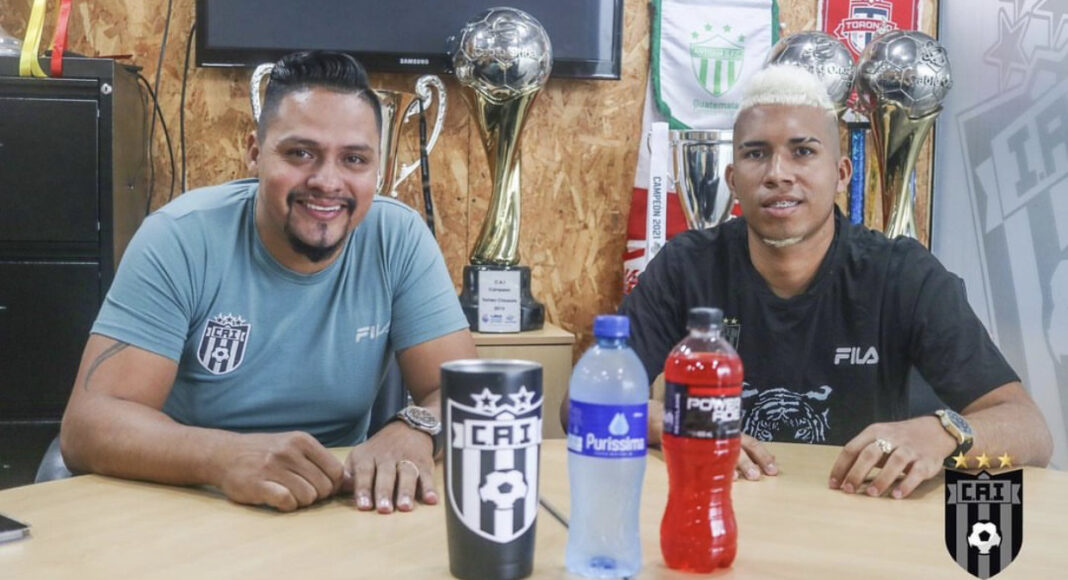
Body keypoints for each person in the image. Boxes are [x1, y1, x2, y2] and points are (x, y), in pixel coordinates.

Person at [60, 51, 476, 513]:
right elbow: (88, 426)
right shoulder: (180, 237)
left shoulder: (398, 237)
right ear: (255, 152)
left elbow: (467, 391)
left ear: (377, 169)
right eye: (301, 153)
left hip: (339, 505)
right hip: (193, 497)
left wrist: (415, 428)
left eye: (354, 159)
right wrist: (225, 457)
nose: (327, 181)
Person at [614, 65, 1053, 498]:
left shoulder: (903, 275)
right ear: (733, 179)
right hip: (723, 505)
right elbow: (591, 401)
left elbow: (1030, 429)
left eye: (803, 151)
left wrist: (942, 433)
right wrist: (673, 421)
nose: (777, 173)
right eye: (756, 154)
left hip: (862, 513)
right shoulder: (685, 266)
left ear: (842, 174)